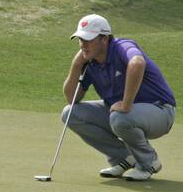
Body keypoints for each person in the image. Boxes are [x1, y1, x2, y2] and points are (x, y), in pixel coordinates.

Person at [61, 13, 177, 182]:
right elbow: (71, 98)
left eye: (88, 39)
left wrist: (126, 104)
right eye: (80, 39)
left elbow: (137, 63)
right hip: (123, 114)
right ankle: (123, 157)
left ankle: (148, 162)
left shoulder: (122, 46)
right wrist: (76, 64)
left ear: (104, 39)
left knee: (120, 116)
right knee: (70, 113)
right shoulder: (89, 62)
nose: (83, 45)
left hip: (160, 111)